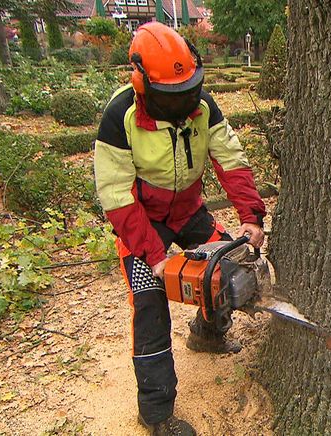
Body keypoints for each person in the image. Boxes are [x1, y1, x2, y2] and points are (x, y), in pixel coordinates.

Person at [93, 22, 265, 436]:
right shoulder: (121, 117)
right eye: (174, 95)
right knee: (150, 303)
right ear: (143, 83)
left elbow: (231, 160)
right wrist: (154, 256)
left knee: (229, 263)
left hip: (188, 211)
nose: (185, 101)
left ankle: (207, 334)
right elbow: (116, 196)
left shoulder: (203, 107)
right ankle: (155, 414)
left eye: (189, 90)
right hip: (142, 221)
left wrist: (250, 216)